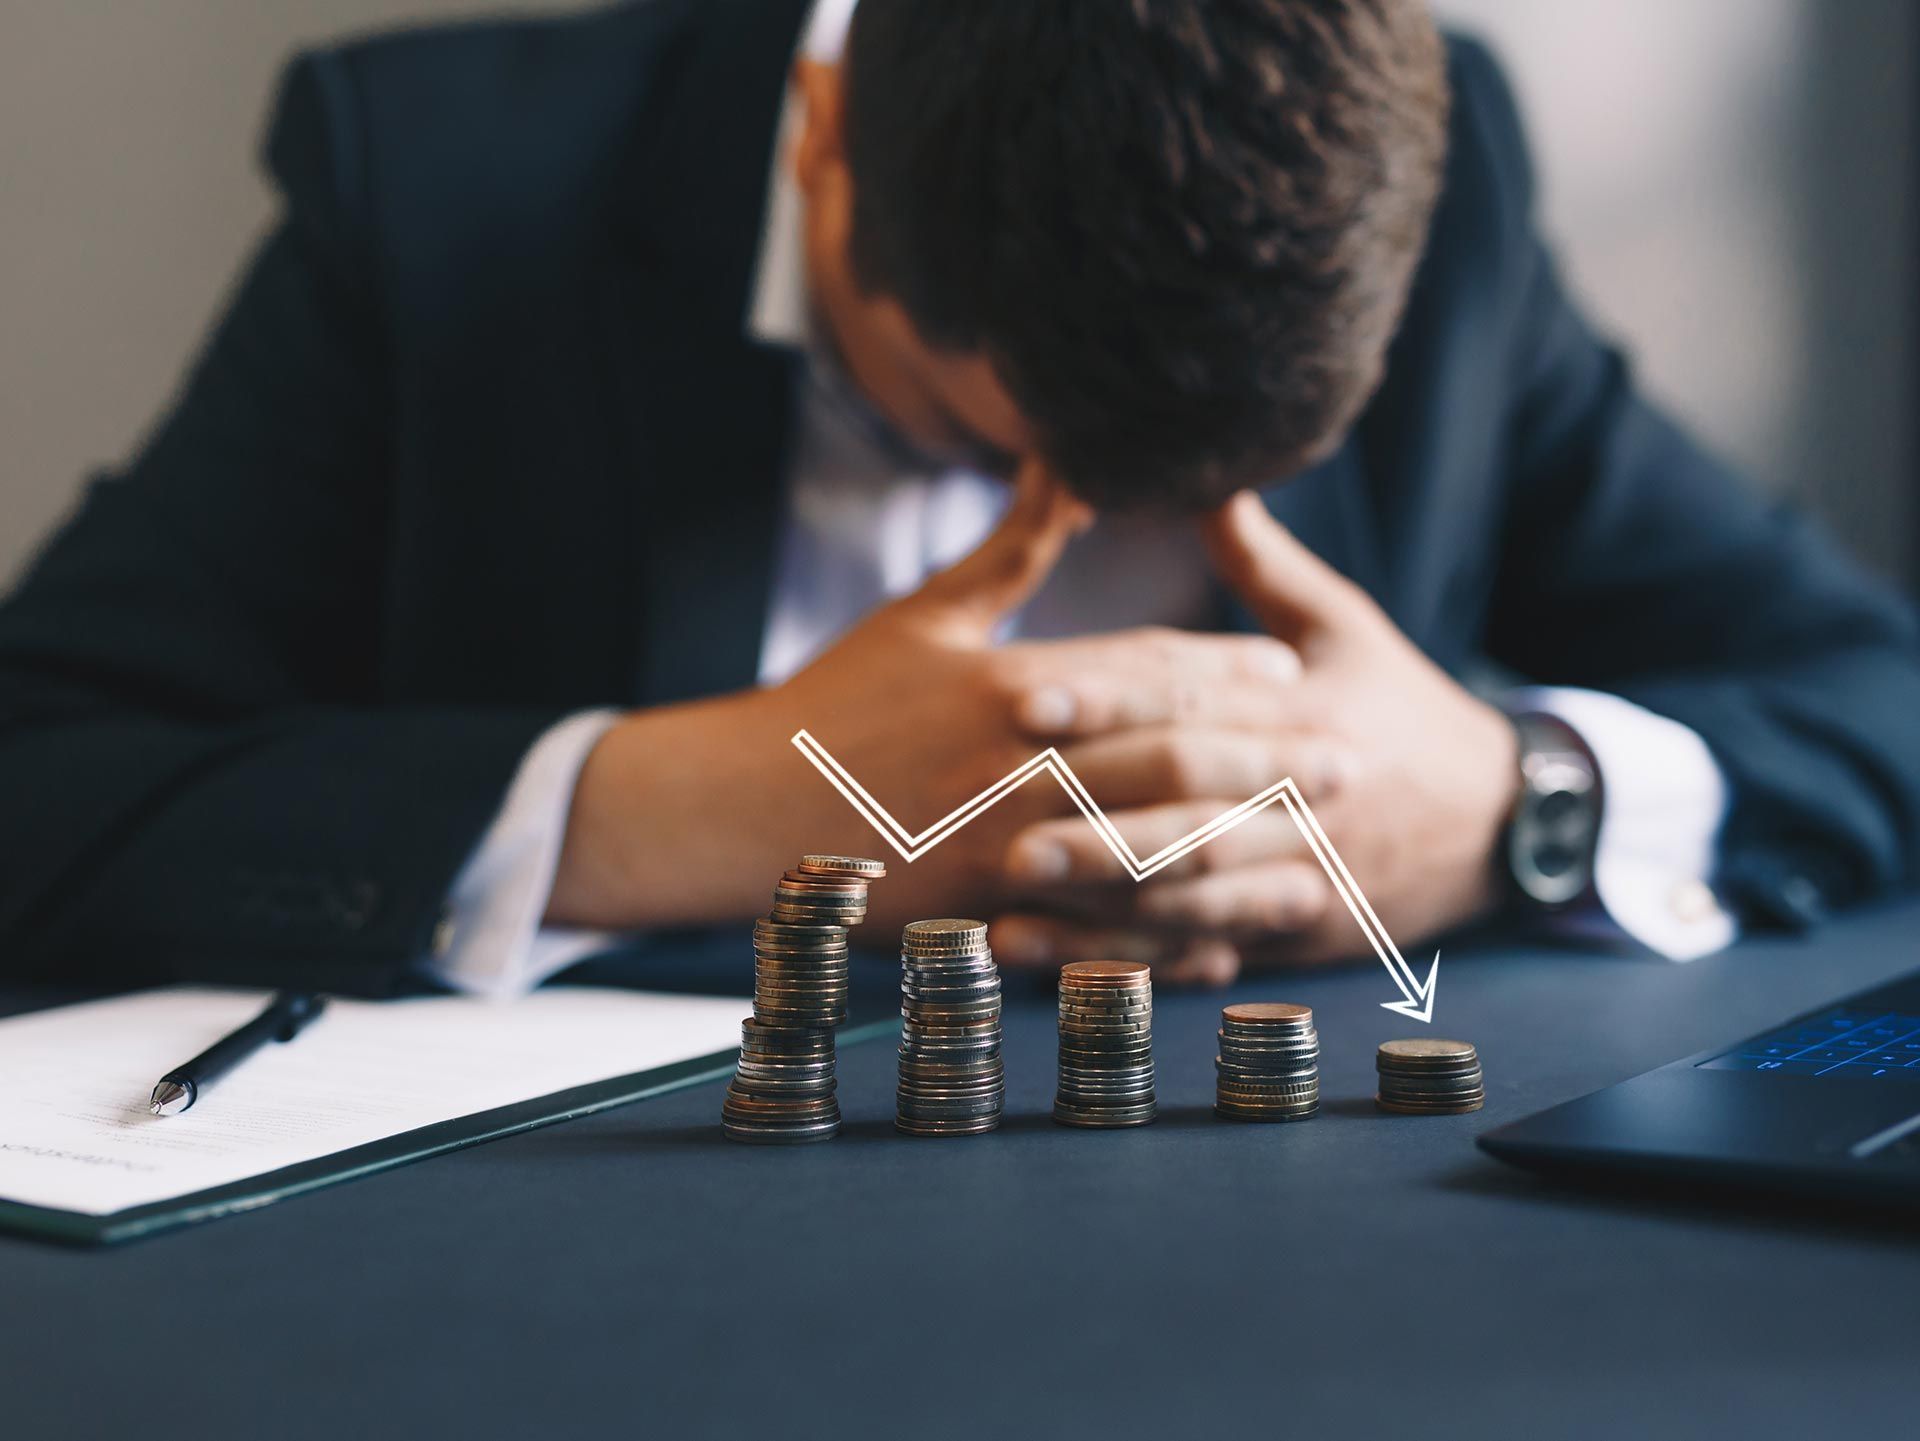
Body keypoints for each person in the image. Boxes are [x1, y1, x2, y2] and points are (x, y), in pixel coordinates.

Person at [1, 0, 1916, 999]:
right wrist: (672, 804)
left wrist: (1515, 805)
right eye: (982, 432)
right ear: (821, 147)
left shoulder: (1445, 178)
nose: (1073, 518)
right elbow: (42, 765)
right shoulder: (434, 195)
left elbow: (1875, 693)